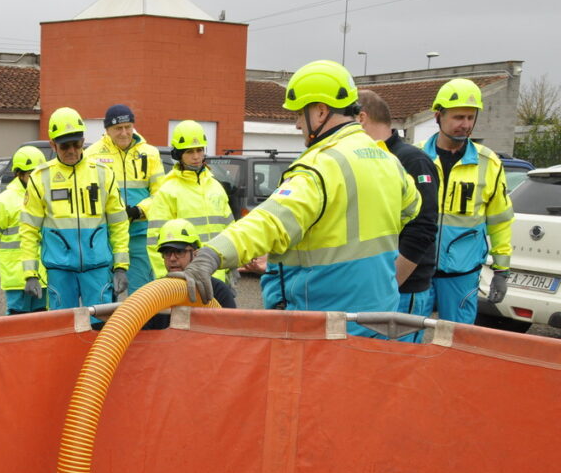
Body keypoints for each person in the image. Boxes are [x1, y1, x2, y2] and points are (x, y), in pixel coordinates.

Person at [173, 60, 421, 338]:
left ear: (320, 111)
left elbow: (270, 222)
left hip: (323, 326)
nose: (296, 124)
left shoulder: (321, 167)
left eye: (299, 115)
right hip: (376, 318)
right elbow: (411, 209)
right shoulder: (387, 160)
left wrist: (212, 255)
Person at [421, 78, 513, 324]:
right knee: (406, 340)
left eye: (470, 118)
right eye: (458, 117)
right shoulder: (416, 159)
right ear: (438, 116)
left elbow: (500, 219)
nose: (465, 125)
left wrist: (502, 270)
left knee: (458, 342)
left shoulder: (489, 163)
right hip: (417, 267)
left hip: (462, 274)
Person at [19, 107, 130, 310]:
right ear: (53, 145)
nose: (72, 151)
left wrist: (121, 267)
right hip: (59, 271)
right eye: (64, 146)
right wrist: (30, 274)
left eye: (77, 144)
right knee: (64, 328)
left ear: (83, 141)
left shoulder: (102, 174)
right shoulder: (40, 178)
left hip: (97, 269)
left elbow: (119, 223)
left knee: (100, 328)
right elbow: (28, 230)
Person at [357, 89, 439, 341]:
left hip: (403, 289)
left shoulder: (413, 160)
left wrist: (390, 285)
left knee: (400, 367)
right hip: (376, 287)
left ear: (361, 119)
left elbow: (423, 228)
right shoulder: (367, 159)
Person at [145, 120, 235, 292]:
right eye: (189, 151)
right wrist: (165, 280)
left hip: (216, 275)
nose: (196, 156)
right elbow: (155, 241)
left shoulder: (215, 187)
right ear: (178, 154)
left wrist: (232, 265)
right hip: (185, 280)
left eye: (200, 150)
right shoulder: (168, 191)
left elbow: (229, 231)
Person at [85, 104, 164, 294]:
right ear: (107, 130)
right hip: (105, 235)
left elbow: (161, 194)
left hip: (139, 234)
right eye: (118, 128)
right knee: (103, 292)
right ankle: (104, 326)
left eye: (128, 127)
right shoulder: (91, 155)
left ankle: (142, 325)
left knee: (142, 295)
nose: (124, 133)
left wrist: (138, 210)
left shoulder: (150, 153)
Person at [0, 145, 50, 314]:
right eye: (31, 174)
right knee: (17, 321)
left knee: (42, 319)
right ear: (19, 173)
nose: (37, 179)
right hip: (17, 276)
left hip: (43, 275)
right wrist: (9, 255)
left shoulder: (46, 197)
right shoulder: (3, 202)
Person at [156, 218, 236, 308]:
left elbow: (232, 322)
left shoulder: (218, 291)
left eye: (179, 252)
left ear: (195, 253)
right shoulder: (157, 292)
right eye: (167, 253)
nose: (172, 258)